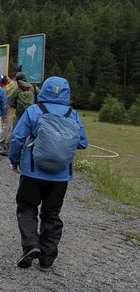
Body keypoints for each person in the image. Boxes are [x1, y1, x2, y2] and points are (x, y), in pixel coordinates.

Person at [9, 76, 88, 271]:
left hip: (33, 172)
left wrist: (15, 160)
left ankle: (31, 245)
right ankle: (47, 260)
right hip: (61, 176)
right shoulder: (73, 114)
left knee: (26, 207)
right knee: (52, 215)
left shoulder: (34, 111)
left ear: (43, 90)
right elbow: (82, 142)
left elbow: (18, 138)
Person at [0, 75, 17, 156]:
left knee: (8, 127)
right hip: (9, 110)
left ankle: (5, 143)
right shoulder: (10, 86)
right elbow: (14, 83)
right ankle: (0, 142)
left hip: (6, 110)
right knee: (7, 127)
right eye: (9, 78)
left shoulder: (4, 89)